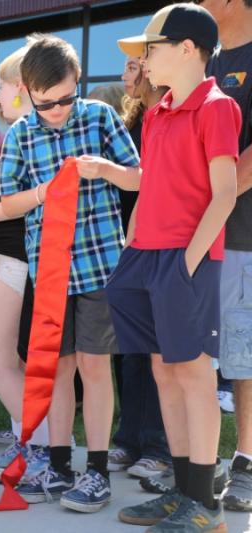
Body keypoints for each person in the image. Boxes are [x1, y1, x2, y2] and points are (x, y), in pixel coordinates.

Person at [110, 4, 240, 530]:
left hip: (186, 260)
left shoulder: (217, 107)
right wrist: (132, 244)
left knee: (193, 375)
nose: (143, 59)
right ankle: (181, 491)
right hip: (145, 257)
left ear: (188, 49)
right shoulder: (158, 112)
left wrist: (187, 262)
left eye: (152, 48)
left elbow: (225, 193)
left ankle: (205, 505)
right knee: (163, 370)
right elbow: (151, 185)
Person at [0, 34, 140, 513]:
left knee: (94, 366)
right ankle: (58, 465)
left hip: (101, 267)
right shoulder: (20, 134)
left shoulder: (100, 117)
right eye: (45, 102)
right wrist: (44, 194)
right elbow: (6, 202)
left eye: (65, 98)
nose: (56, 109)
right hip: (51, 271)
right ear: (27, 91)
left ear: (77, 81)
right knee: (56, 368)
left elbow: (141, 176)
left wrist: (105, 170)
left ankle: (96, 470)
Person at [0, 43, 52, 481]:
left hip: (16, 262)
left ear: (21, 88)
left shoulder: (29, 133)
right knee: (9, 361)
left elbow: (17, 203)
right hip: (12, 262)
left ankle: (39, 450)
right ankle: (34, 446)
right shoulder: (28, 131)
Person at [106, 56, 171, 480]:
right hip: (125, 246)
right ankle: (128, 439)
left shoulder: (170, 117)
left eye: (132, 67)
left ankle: (159, 448)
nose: (125, 75)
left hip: (162, 243)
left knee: (158, 355)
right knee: (129, 353)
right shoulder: (132, 121)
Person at [199, 0, 252, 513]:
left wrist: (205, 205)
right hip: (200, 233)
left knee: (244, 357)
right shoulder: (207, 60)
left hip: (242, 233)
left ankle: (246, 463)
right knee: (202, 358)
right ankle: (202, 464)